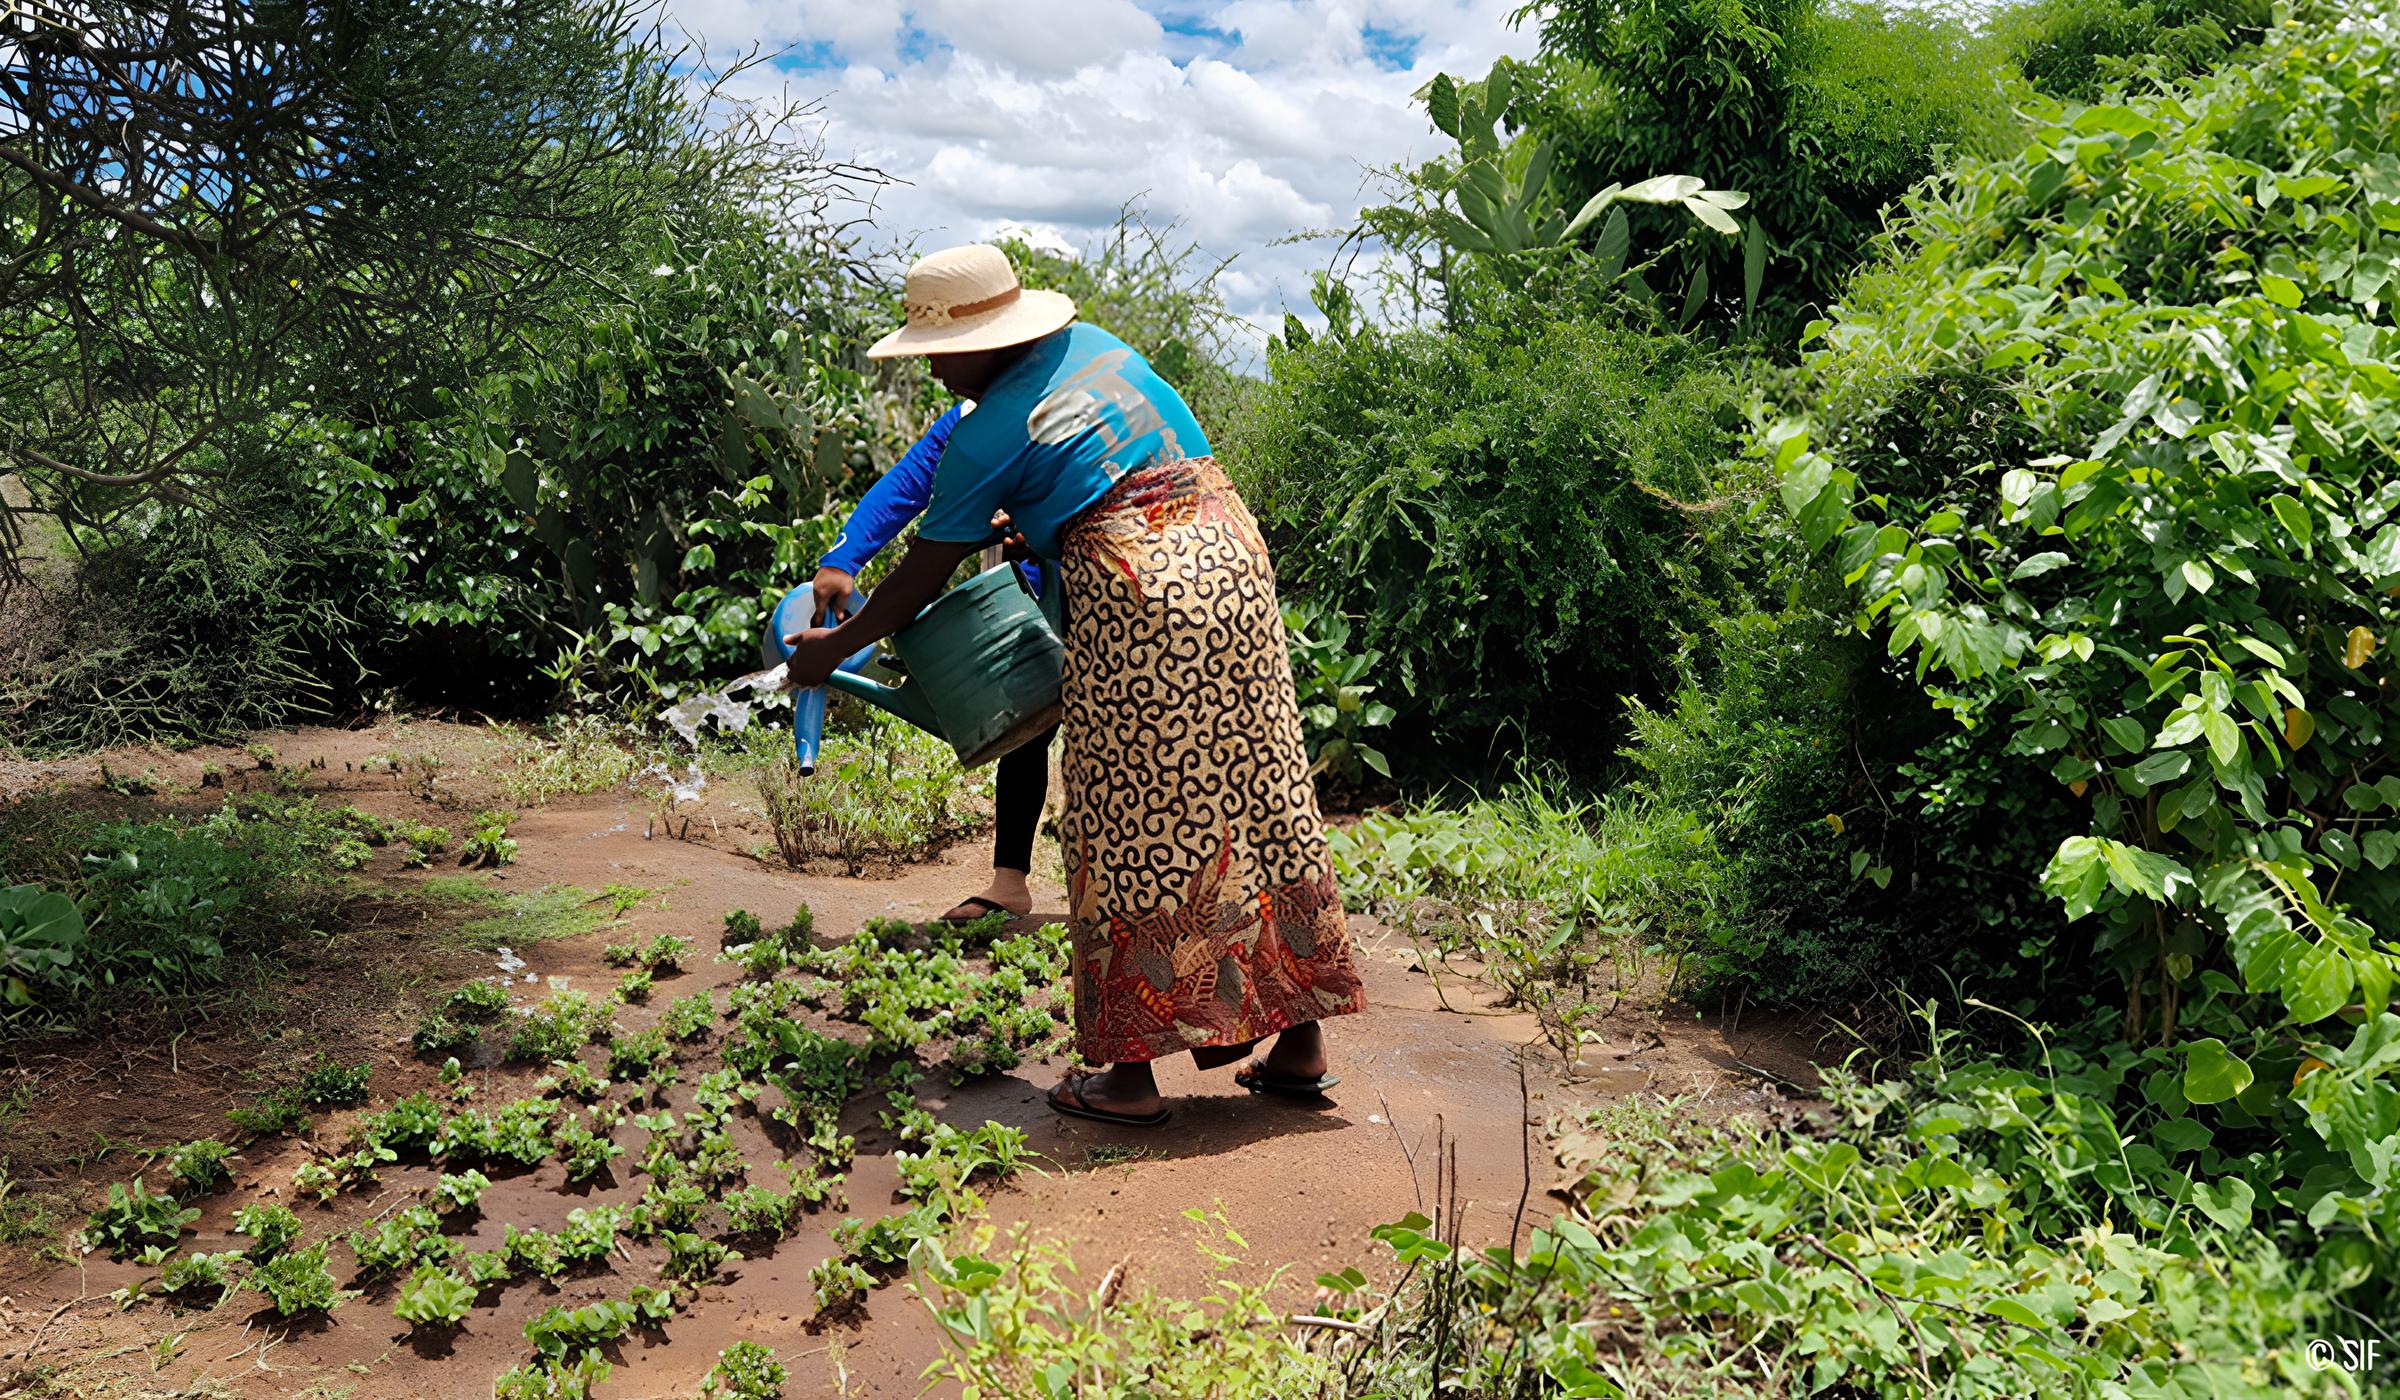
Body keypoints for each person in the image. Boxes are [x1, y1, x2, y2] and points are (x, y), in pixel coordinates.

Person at [783, 243, 1366, 1126]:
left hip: (1141, 598)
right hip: (1233, 563)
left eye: (938, 352)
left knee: (1128, 819)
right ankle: (1299, 1042)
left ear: (985, 341)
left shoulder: (988, 428)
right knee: (1257, 793)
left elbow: (921, 578)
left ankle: (1128, 1078)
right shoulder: (1097, 347)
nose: (934, 370)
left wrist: (834, 650)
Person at [811, 403, 1056, 924]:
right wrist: (843, 557)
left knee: (1122, 736)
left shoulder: (1062, 399)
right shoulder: (971, 413)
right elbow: (909, 482)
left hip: (1108, 584)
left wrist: (1038, 527)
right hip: (1030, 589)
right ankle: (1010, 884)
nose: (938, 370)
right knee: (1027, 726)